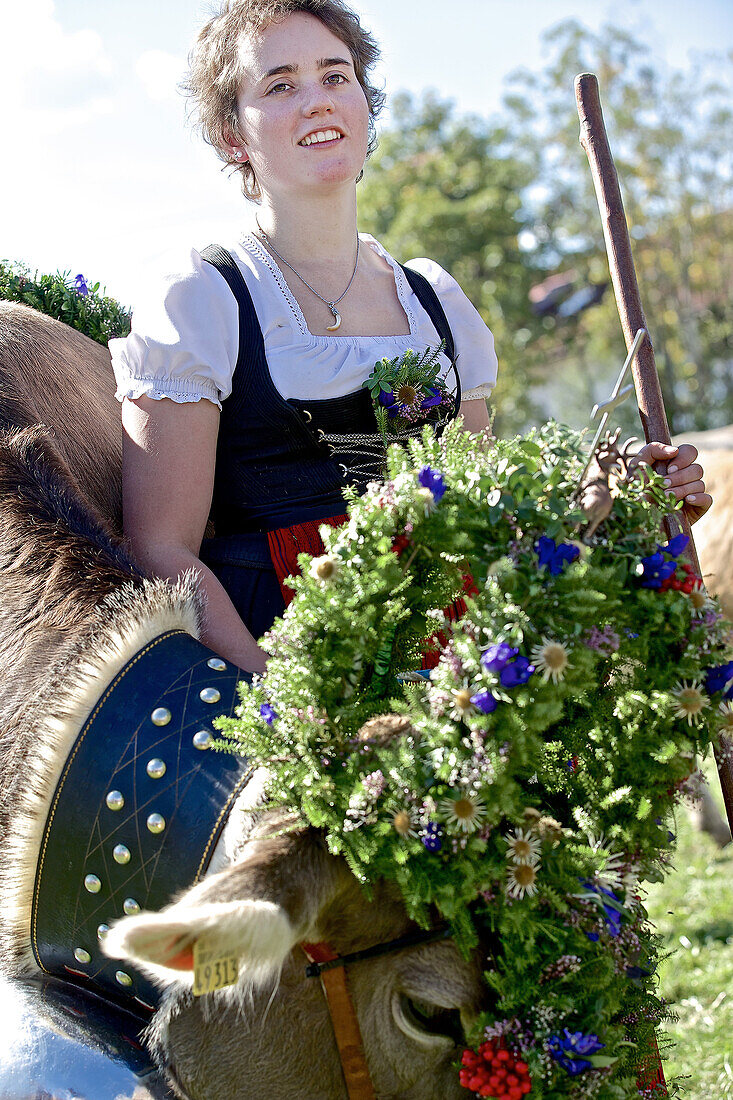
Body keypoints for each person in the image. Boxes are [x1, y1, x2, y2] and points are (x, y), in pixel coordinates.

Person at [110, 0, 710, 676]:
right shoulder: (202, 297)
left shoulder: (435, 302)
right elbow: (161, 551)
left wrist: (618, 506)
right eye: (280, 85)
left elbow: (487, 523)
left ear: (366, 106)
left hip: (459, 674)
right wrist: (282, 716)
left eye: (336, 76)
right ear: (231, 136)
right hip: (285, 663)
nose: (316, 101)